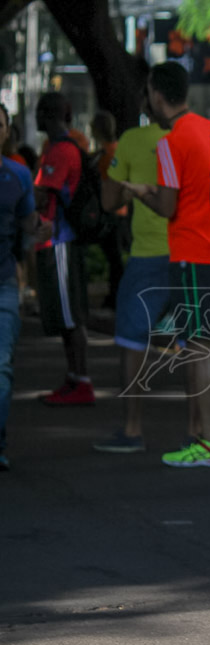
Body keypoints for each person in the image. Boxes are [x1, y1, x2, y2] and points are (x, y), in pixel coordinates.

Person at [127, 61, 210, 467]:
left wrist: (142, 192)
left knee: (197, 347)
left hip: (191, 253)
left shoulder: (170, 142)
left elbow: (168, 204)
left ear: (158, 95)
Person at [92, 75, 175, 453]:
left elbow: (109, 202)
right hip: (193, 253)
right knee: (203, 345)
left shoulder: (132, 141)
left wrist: (117, 177)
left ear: (151, 99)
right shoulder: (195, 137)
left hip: (147, 256)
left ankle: (132, 428)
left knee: (131, 342)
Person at [33, 92, 93, 406]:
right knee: (66, 316)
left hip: (60, 241)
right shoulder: (60, 148)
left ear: (49, 114)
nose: (35, 117)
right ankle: (74, 378)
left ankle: (81, 381)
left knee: (71, 317)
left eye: (40, 111)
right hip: (57, 239)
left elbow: (42, 194)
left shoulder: (60, 151)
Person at [0, 102, 37, 470]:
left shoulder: (18, 175)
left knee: (2, 367)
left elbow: (28, 221)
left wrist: (39, 228)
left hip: (4, 282)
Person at [89, 109, 127, 310]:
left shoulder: (105, 155)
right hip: (119, 210)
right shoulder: (117, 149)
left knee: (114, 258)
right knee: (115, 256)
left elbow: (107, 183)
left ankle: (115, 296)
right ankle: (115, 295)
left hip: (110, 210)